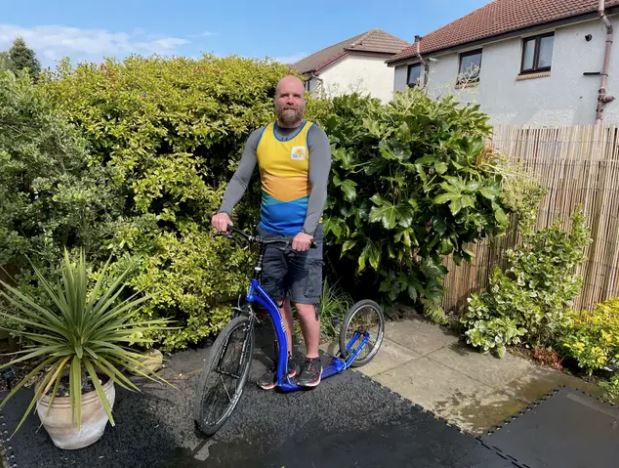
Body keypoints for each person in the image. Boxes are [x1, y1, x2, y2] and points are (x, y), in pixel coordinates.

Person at [211, 75, 332, 389]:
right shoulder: (259, 137)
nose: (290, 100)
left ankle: (313, 358)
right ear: (275, 100)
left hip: (304, 237)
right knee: (276, 303)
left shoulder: (313, 136)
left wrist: (307, 230)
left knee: (303, 303)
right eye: (284, 95)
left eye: (296, 95)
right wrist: (224, 210)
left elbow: (320, 186)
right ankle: (286, 360)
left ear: (303, 101)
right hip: (269, 236)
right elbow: (240, 179)